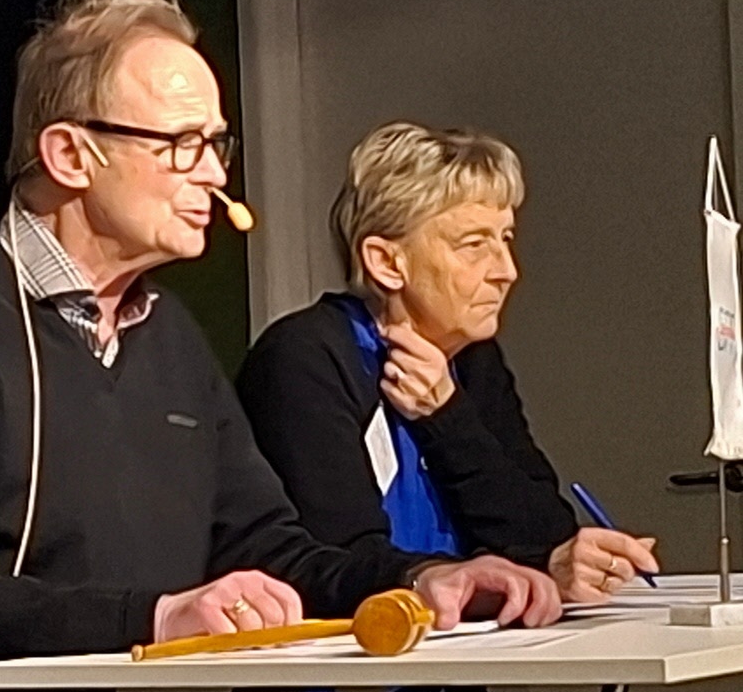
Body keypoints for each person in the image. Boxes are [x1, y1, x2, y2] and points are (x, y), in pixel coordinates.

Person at [0, 0, 562, 692]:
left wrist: (420, 581)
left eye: (217, 144)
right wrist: (153, 620)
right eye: (182, 144)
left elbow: (271, 547)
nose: (214, 175)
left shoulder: (169, 333)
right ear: (71, 155)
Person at [237, 121, 659, 605]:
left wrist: (446, 415)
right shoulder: (304, 358)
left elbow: (542, 533)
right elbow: (337, 559)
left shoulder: (474, 358)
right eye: (474, 245)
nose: (507, 271)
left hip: (471, 649)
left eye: (505, 239)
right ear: (386, 263)